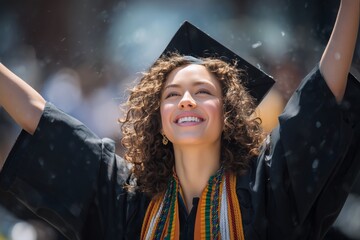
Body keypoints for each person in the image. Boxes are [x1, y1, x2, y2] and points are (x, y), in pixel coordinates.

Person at [0, 0, 359, 239]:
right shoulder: (126, 199)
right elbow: (39, 115)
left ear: (228, 113)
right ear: (158, 120)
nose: (186, 101)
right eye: (172, 95)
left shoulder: (266, 187)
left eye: (203, 92)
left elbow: (323, 93)